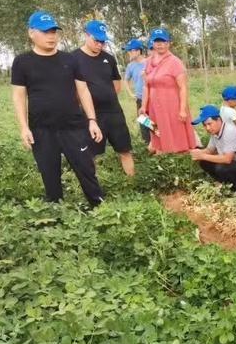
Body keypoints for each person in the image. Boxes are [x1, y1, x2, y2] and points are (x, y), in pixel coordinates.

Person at [11, 11, 105, 207]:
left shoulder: (70, 60)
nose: (51, 36)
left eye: (54, 31)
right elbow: (19, 96)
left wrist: (92, 121)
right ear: (31, 33)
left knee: (86, 169)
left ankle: (99, 205)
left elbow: (83, 90)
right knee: (49, 172)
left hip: (73, 127)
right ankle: (56, 210)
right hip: (41, 129)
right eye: (45, 32)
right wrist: (23, 127)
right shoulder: (22, 62)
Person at [72, 20, 134, 176]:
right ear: (86, 35)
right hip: (90, 116)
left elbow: (117, 84)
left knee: (125, 149)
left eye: (103, 42)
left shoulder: (109, 59)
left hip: (114, 112)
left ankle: (133, 183)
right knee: (90, 153)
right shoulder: (73, 59)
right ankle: (96, 189)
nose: (100, 45)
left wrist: (105, 96)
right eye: (96, 41)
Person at [139, 27, 199, 154]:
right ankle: (164, 158)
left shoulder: (175, 62)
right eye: (157, 41)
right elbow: (146, 85)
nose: (160, 44)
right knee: (158, 132)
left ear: (168, 43)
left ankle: (182, 160)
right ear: (153, 43)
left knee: (177, 135)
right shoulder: (149, 62)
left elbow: (183, 87)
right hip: (155, 106)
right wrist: (143, 106)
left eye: (163, 41)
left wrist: (182, 109)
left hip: (172, 105)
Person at [190, 105, 236, 192]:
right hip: (234, 165)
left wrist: (202, 156)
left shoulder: (229, 131)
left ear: (218, 120)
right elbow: (209, 150)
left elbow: (227, 159)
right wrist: (197, 153)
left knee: (221, 167)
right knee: (204, 162)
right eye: (205, 125)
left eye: (209, 124)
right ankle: (224, 183)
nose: (207, 128)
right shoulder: (215, 133)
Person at [123, 38, 150, 145]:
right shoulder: (130, 66)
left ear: (138, 51)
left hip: (151, 98)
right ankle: (147, 144)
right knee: (144, 122)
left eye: (131, 50)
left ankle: (159, 144)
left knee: (155, 122)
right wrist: (130, 93)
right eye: (128, 51)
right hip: (139, 98)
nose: (129, 53)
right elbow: (126, 80)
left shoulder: (149, 62)